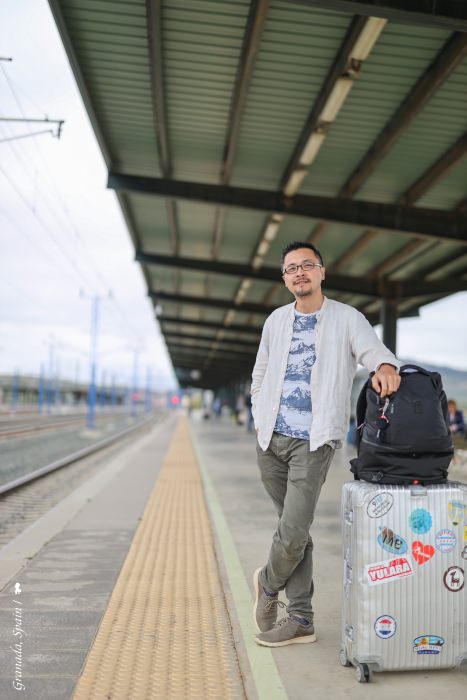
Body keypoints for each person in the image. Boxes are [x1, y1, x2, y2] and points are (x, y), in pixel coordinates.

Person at [251, 241, 401, 648]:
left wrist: (386, 366)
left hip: (313, 442)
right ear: (285, 278)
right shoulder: (276, 321)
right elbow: (260, 373)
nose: (299, 272)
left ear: (321, 271)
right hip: (269, 439)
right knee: (293, 529)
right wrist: (259, 412)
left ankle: (268, 584)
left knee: (293, 530)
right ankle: (301, 618)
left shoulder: (346, 318)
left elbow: (375, 351)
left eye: (307, 265)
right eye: (291, 268)